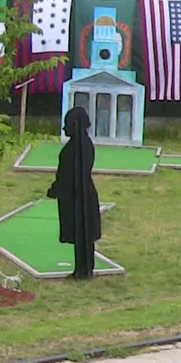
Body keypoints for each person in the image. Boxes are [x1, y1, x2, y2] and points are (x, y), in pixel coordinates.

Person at [48, 105, 102, 279]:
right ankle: (82, 269)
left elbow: (69, 173)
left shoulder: (80, 147)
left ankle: (84, 270)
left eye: (68, 124)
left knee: (82, 233)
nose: (65, 128)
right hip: (78, 194)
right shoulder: (82, 145)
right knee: (81, 234)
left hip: (79, 196)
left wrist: (57, 188)